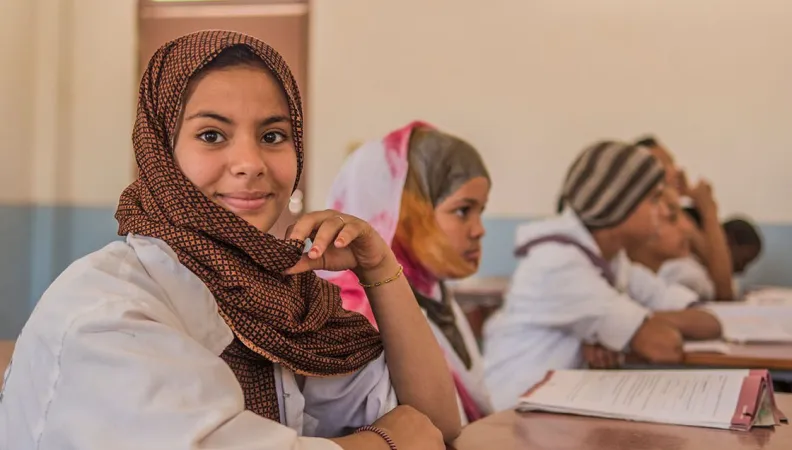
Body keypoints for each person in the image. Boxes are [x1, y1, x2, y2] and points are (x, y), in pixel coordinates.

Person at [0, 31, 461, 450]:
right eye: (212, 135)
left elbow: (435, 426)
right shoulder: (107, 309)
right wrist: (385, 444)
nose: (250, 163)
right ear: (160, 151)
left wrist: (379, 266)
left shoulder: (284, 300)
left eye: (273, 135)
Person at [483, 140, 722, 411]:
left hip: (554, 413)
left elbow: (708, 321)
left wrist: (616, 329)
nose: (664, 211)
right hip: (511, 420)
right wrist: (629, 326)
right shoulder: (557, 263)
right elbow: (664, 346)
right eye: (654, 199)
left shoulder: (613, 261)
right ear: (621, 203)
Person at [320, 122, 494, 425]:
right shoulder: (354, 312)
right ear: (403, 213)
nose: (479, 230)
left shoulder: (432, 292)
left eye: (481, 211)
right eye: (463, 211)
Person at [634, 135, 735, 300]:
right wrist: (709, 211)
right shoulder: (645, 218)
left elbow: (714, 265)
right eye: (665, 165)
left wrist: (705, 209)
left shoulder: (678, 217)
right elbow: (724, 290)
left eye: (673, 162)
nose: (677, 171)